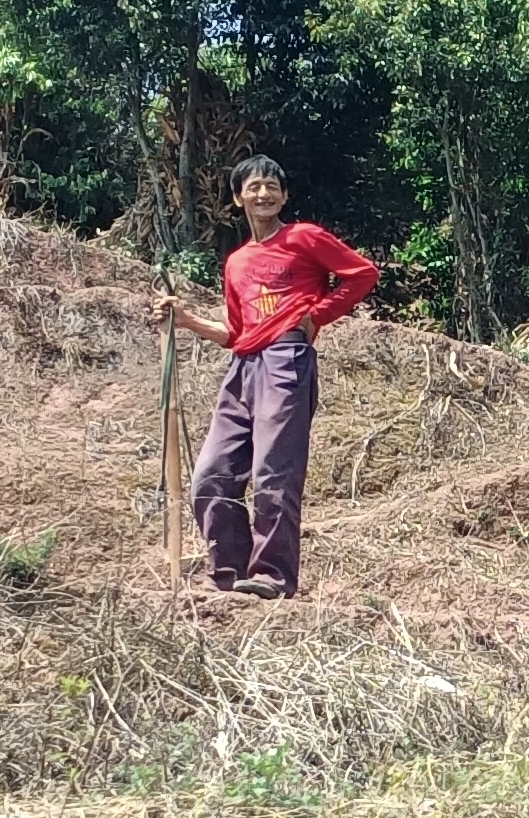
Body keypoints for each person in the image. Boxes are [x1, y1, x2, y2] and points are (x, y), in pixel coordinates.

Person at [150, 156, 380, 598]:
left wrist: (316, 317)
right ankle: (228, 574)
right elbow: (236, 332)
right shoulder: (236, 262)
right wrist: (187, 320)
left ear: (285, 196)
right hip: (242, 366)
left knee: (274, 472)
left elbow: (362, 273)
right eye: (254, 187)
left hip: (286, 361)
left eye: (273, 186)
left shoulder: (303, 237)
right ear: (238, 198)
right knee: (212, 476)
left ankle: (273, 575)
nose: (264, 194)